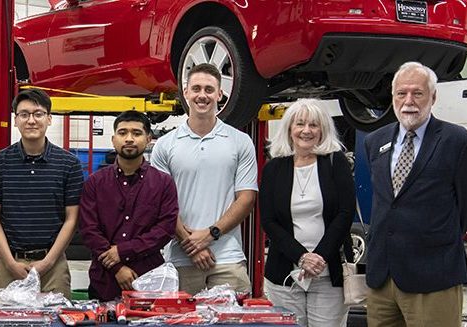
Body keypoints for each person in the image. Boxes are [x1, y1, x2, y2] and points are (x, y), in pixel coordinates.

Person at [364, 61, 467, 326]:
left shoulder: (457, 141)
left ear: (433, 97)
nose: (408, 100)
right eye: (402, 93)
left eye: (417, 93)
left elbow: (465, 209)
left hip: (433, 278)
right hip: (382, 279)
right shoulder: (375, 141)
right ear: (392, 96)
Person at [150, 63, 258, 295]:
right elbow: (161, 203)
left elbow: (246, 198)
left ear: (220, 94)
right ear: (185, 92)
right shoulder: (165, 145)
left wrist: (210, 234)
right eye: (196, 88)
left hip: (228, 258)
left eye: (209, 89)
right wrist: (192, 247)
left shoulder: (240, 142)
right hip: (180, 259)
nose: (202, 95)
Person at [260, 99, 354, 327]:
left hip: (329, 274)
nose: (306, 131)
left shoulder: (336, 162)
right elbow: (269, 220)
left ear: (323, 130)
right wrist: (301, 257)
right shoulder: (274, 168)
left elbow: (345, 213)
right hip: (284, 275)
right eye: (300, 124)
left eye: (314, 125)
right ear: (289, 129)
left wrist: (318, 257)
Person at [0, 88, 83, 297]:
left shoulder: (69, 164)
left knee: (56, 319)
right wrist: (10, 263)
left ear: (49, 119)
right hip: (8, 263)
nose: (31, 120)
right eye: (24, 114)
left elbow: (72, 219)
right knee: (2, 319)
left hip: (52, 265)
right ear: (16, 120)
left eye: (38, 114)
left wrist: (47, 263)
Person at [79, 110, 179, 301]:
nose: (129, 139)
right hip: (105, 280)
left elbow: (165, 229)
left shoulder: (163, 183)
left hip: (150, 279)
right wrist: (117, 266)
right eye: (123, 133)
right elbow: (89, 229)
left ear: (148, 138)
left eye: (137, 133)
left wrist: (122, 252)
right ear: (113, 139)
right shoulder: (95, 182)